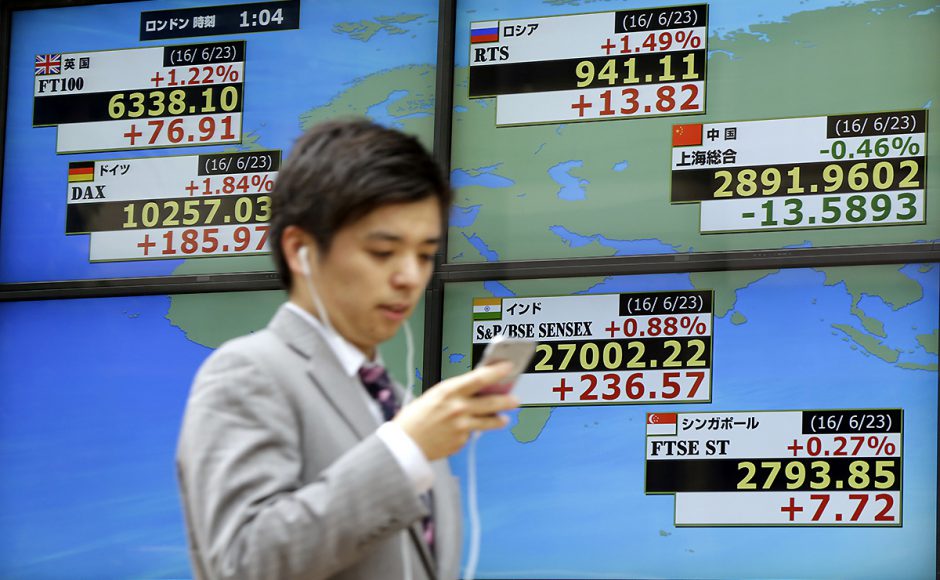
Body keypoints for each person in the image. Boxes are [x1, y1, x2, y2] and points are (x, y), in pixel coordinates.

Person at [175, 119, 518, 580]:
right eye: (382, 252)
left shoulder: (398, 402)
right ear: (300, 250)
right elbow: (242, 563)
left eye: (424, 254)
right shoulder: (248, 374)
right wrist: (404, 450)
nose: (410, 277)